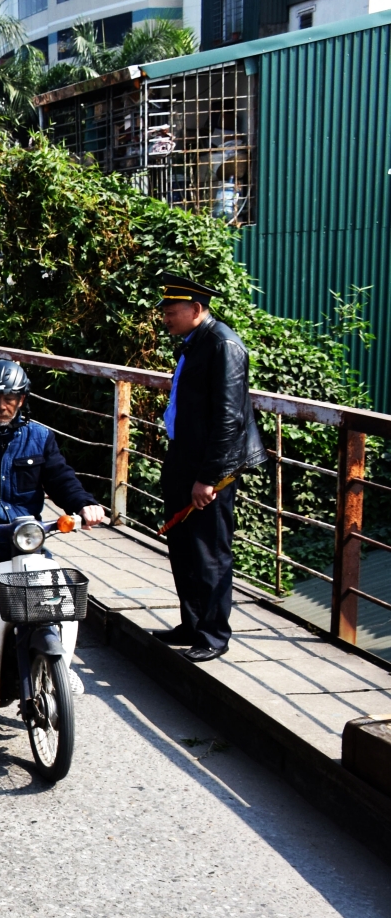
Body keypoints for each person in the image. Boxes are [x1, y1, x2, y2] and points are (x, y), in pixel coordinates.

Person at [0, 360, 111, 693]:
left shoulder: (40, 437)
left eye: (10, 398)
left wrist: (84, 504)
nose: (1, 406)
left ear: (22, 399)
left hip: (25, 537)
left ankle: (61, 662)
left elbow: (61, 479)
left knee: (50, 592)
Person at [153, 276, 269, 661]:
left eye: (172, 313)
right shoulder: (197, 342)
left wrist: (208, 478)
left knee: (209, 551)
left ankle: (214, 635)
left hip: (208, 468)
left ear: (196, 310)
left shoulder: (223, 345)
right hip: (183, 458)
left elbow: (228, 420)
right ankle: (192, 623)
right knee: (183, 546)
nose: (166, 319)